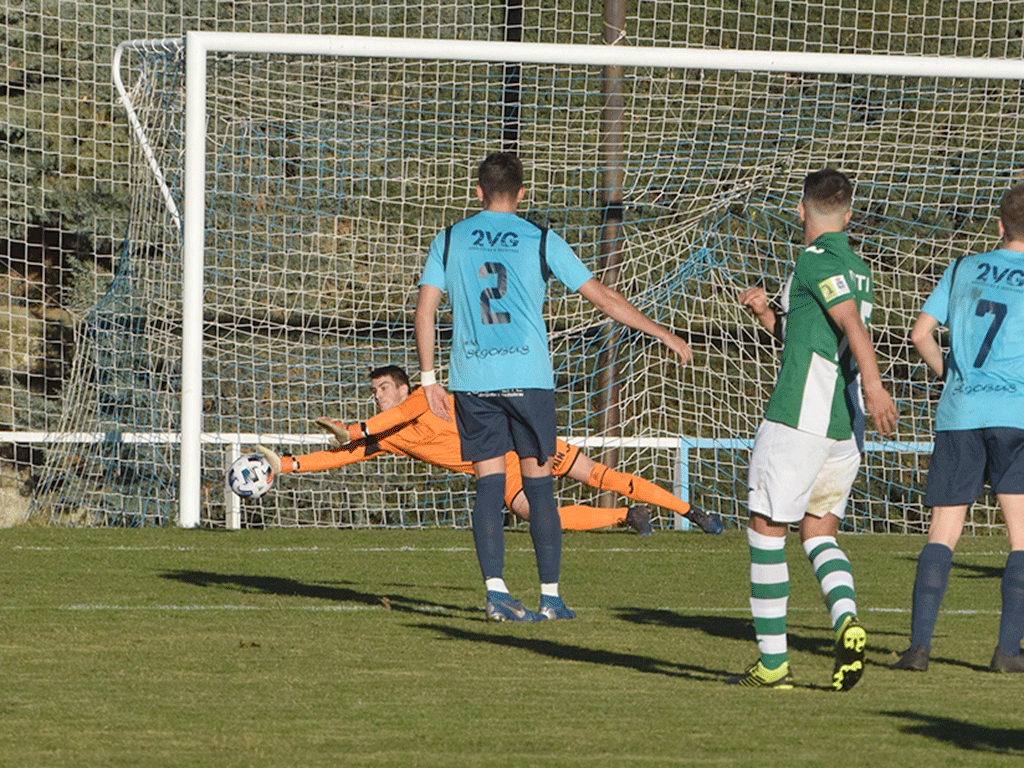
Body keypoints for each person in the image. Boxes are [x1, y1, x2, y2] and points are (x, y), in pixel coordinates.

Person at [414, 151, 692, 622]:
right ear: (522, 194)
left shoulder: (448, 239)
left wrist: (427, 379)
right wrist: (659, 331)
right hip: (529, 380)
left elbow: (424, 312)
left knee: (489, 486)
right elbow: (601, 296)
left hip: (472, 381)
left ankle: (497, 592)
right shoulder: (540, 238)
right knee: (540, 488)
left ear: (478, 192)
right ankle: (550, 596)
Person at [731, 168, 898, 690]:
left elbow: (850, 323)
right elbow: (817, 332)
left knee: (765, 531)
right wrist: (767, 314)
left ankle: (774, 663)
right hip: (842, 429)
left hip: (800, 419)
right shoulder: (859, 266)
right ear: (848, 217)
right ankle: (846, 620)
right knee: (819, 532)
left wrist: (874, 384)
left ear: (801, 211)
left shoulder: (813, 259)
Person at [257, 365, 722, 536]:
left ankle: (691, 510)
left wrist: (354, 428)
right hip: (499, 469)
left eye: (383, 387)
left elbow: (378, 424)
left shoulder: (424, 398)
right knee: (538, 516)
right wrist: (290, 464)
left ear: (402, 387)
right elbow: (346, 454)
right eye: (374, 389)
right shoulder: (388, 433)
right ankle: (627, 519)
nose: (378, 394)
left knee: (598, 475)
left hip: (519, 439)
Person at [890, 184, 1024, 674]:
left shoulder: (964, 267)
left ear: (998, 226)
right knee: (1022, 537)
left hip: (961, 412)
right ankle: (1007, 653)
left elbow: (920, 334)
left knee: (943, 532)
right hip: (1018, 416)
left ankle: (918, 649)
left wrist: (952, 376)